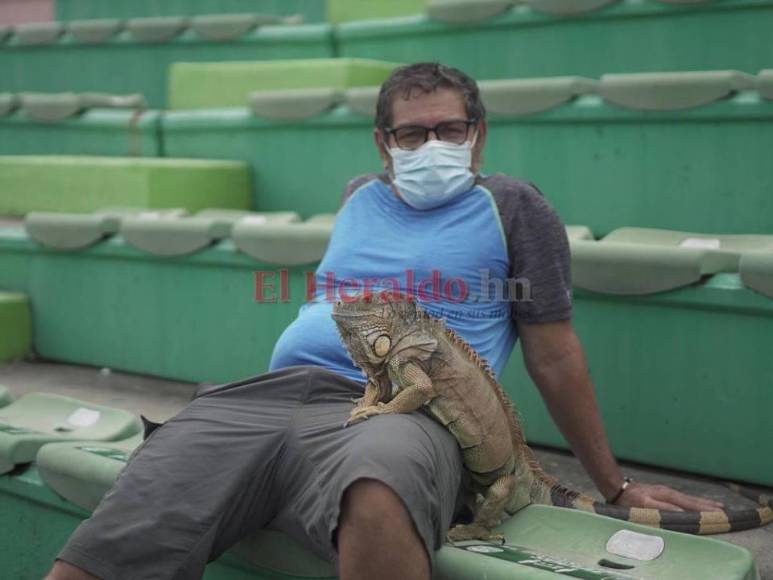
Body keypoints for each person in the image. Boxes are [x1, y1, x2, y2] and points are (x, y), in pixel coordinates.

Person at [46, 62, 722, 580]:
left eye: (449, 129)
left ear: (476, 136)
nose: (432, 143)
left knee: (376, 490)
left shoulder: (514, 206)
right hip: (280, 394)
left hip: (411, 411)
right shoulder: (357, 195)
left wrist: (615, 484)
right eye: (412, 132)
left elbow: (553, 352)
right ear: (383, 143)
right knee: (151, 478)